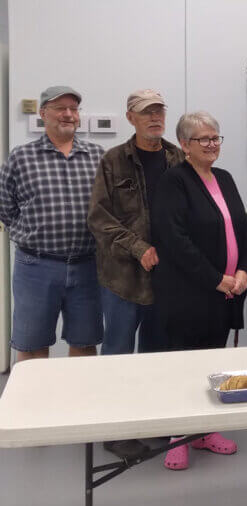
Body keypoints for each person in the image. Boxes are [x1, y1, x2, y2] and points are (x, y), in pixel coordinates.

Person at [151, 112, 247, 470]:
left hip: (224, 293)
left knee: (212, 362)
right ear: (184, 145)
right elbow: (174, 239)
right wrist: (215, 277)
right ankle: (178, 437)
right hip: (188, 293)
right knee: (184, 365)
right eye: (203, 139)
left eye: (216, 138)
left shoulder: (223, 178)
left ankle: (206, 431)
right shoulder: (173, 181)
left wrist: (243, 270)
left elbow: (242, 227)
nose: (212, 145)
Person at [88, 89, 185, 460]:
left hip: (167, 279)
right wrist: (137, 247)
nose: (154, 118)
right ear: (131, 118)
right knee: (118, 356)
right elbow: (99, 216)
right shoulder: (113, 161)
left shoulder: (178, 157)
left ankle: (152, 422)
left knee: (157, 355)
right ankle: (116, 430)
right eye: (146, 113)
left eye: (159, 111)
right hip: (124, 280)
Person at [0, 86, 104, 363]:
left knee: (85, 344)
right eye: (60, 108)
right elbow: (5, 206)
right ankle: (32, 405)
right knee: (32, 346)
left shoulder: (98, 156)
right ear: (43, 113)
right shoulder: (21, 157)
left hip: (87, 266)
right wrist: (30, 233)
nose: (68, 114)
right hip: (35, 267)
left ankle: (79, 404)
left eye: (73, 109)